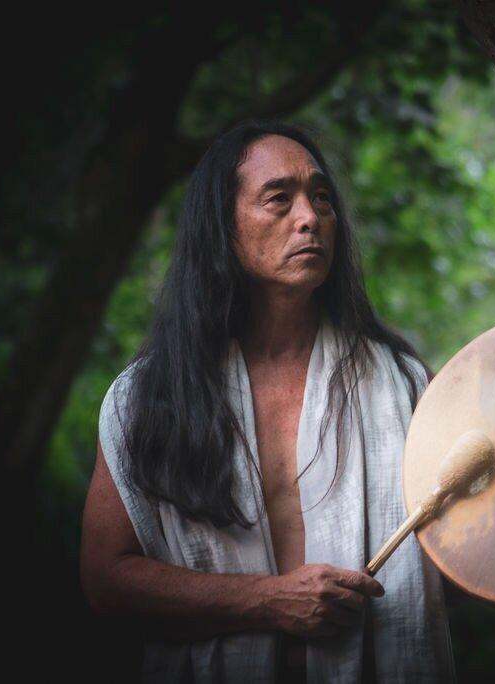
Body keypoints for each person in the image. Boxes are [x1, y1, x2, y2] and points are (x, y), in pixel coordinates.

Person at [80, 120, 455, 683]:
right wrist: (269, 599)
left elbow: (464, 549)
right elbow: (106, 580)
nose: (310, 218)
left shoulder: (401, 384)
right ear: (222, 226)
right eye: (278, 199)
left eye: (321, 198)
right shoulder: (145, 397)